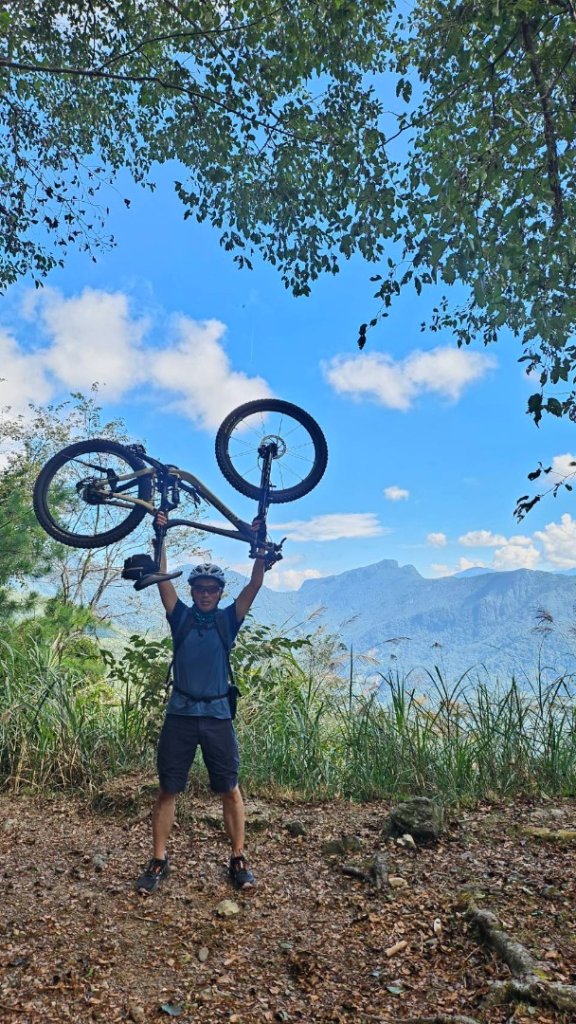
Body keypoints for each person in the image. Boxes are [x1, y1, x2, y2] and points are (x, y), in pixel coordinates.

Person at [135, 511, 267, 895]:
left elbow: (255, 584)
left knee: (230, 788)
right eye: (200, 589)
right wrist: (160, 536)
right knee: (168, 789)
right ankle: (158, 860)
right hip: (180, 714)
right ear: (192, 591)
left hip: (217, 715)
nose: (206, 594)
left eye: (212, 589)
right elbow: (162, 581)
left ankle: (238, 858)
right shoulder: (181, 618)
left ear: (220, 593)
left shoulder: (228, 621)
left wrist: (259, 546)